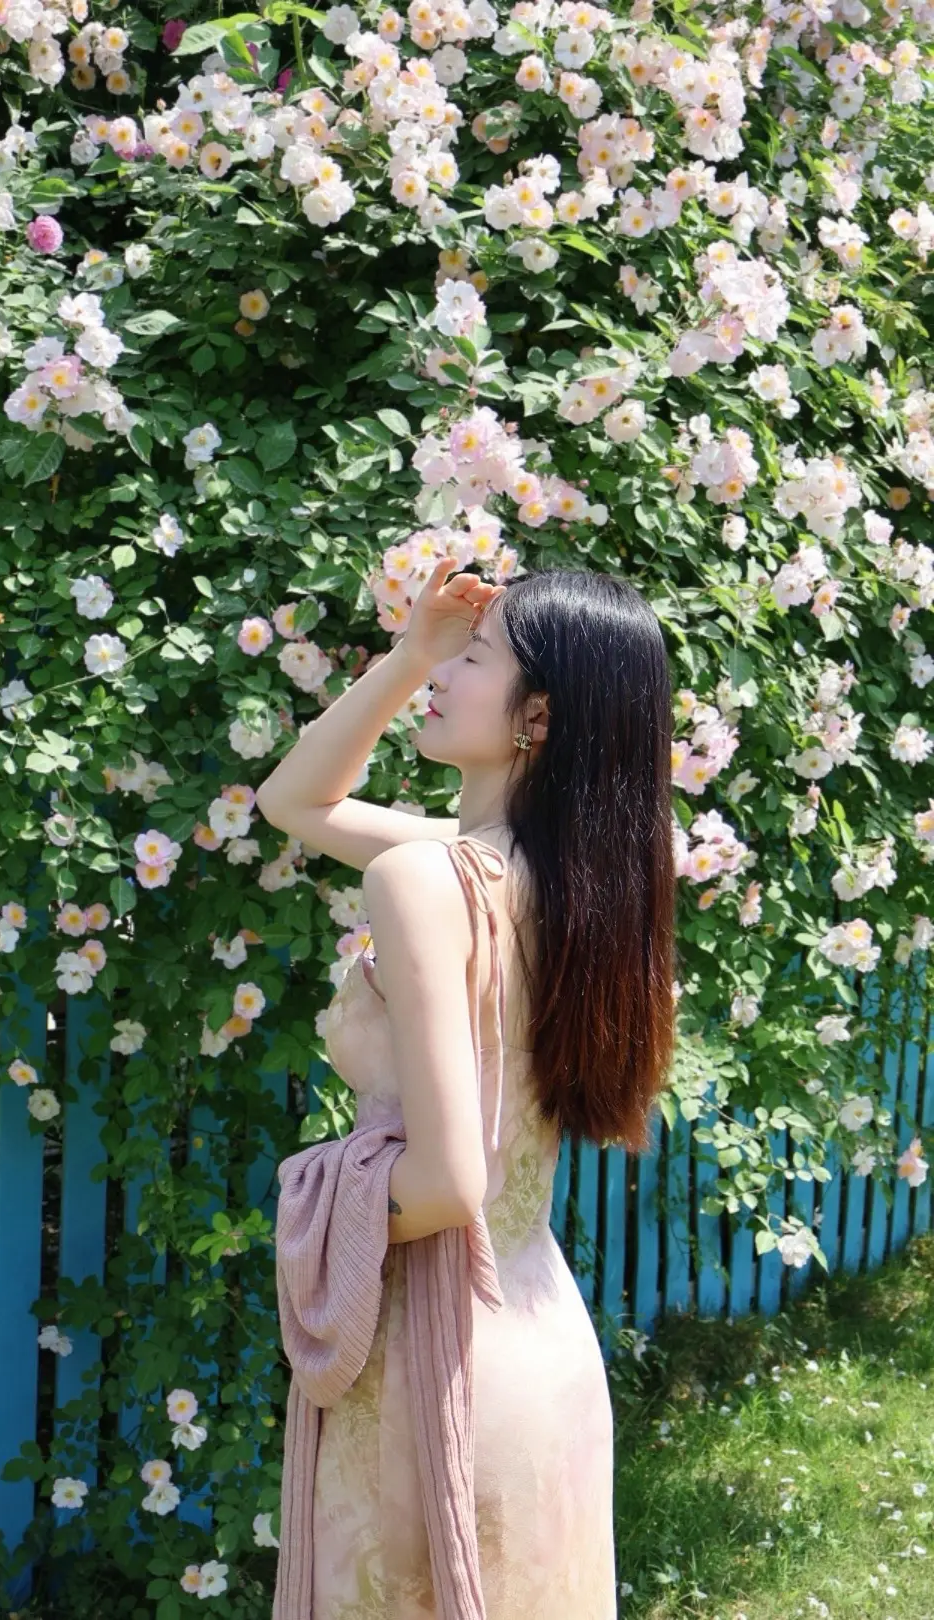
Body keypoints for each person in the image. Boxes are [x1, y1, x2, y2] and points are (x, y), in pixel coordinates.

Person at [256, 559, 677, 1618]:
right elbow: (295, 801)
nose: (443, 677)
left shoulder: (425, 879)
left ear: (538, 715)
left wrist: (317, 1203)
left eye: (472, 659)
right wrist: (414, 652)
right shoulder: (576, 881)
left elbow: (449, 1184)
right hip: (541, 1345)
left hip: (432, 1366)